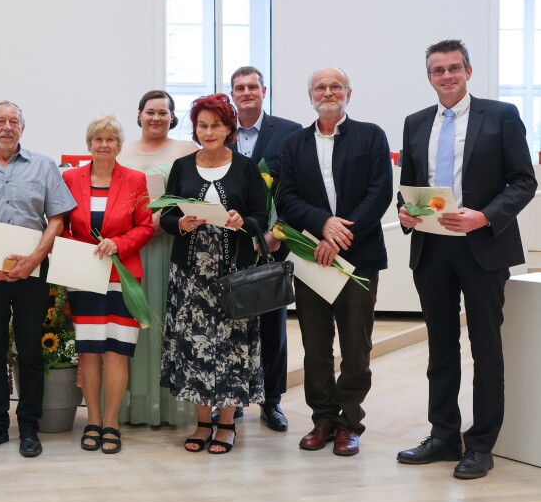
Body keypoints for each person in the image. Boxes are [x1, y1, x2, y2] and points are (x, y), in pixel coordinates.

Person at [395, 39, 537, 480]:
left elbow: (523, 181)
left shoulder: (500, 116)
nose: (447, 76)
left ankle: (480, 445)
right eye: (438, 70)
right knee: (440, 347)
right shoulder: (416, 122)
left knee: (486, 348)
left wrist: (484, 217)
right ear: (429, 77)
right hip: (432, 248)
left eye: (454, 68)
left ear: (469, 72)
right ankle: (442, 435)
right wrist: (406, 213)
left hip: (483, 247)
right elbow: (412, 185)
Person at [276, 67, 392, 456]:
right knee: (315, 346)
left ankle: (349, 423)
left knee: (356, 346)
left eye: (335, 86)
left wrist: (342, 236)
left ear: (349, 93)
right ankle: (323, 419)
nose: (328, 92)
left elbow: (379, 193)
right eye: (320, 87)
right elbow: (286, 198)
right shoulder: (294, 143)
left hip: (358, 259)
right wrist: (322, 225)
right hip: (313, 258)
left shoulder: (371, 135)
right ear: (310, 94)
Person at [0, 100, 76, 458]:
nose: (7, 127)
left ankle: (29, 427)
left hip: (33, 273)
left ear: (23, 127)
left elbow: (57, 218)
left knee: (30, 349)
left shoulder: (43, 166)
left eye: (14, 121)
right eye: (0, 121)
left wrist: (36, 257)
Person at [160, 93, 267, 454]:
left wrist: (243, 222)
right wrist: (182, 224)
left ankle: (226, 425)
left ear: (229, 128)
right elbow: (166, 216)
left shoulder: (246, 168)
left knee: (231, 348)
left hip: (233, 274)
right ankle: (202, 422)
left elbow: (261, 219)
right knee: (194, 348)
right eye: (202, 126)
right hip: (190, 276)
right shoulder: (182, 166)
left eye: (216, 125)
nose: (208, 132)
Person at [61, 115, 154, 453]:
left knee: (116, 353)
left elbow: (145, 226)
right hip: (84, 276)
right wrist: (75, 248)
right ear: (89, 144)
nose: (104, 144)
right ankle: (93, 421)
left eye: (111, 139)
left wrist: (119, 244)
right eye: (98, 139)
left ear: (119, 145)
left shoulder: (135, 180)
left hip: (122, 276)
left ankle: (111, 423)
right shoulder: (70, 179)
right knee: (89, 353)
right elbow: (60, 224)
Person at [116, 90, 198, 428]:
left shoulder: (187, 149)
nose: (156, 118)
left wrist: (169, 221)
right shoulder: (120, 151)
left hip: (170, 244)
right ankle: (133, 403)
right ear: (139, 115)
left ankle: (169, 404)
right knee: (130, 321)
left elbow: (199, 192)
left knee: (168, 320)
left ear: (172, 116)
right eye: (150, 112)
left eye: (163, 112)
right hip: (131, 247)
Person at [227, 67, 303, 431]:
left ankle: (271, 401)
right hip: (230, 245)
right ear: (232, 93)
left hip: (273, 243)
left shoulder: (288, 133)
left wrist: (277, 233)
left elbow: (296, 189)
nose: (246, 93)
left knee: (272, 325)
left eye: (252, 86)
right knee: (233, 323)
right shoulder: (220, 131)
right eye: (239, 88)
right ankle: (236, 396)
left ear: (264, 90)